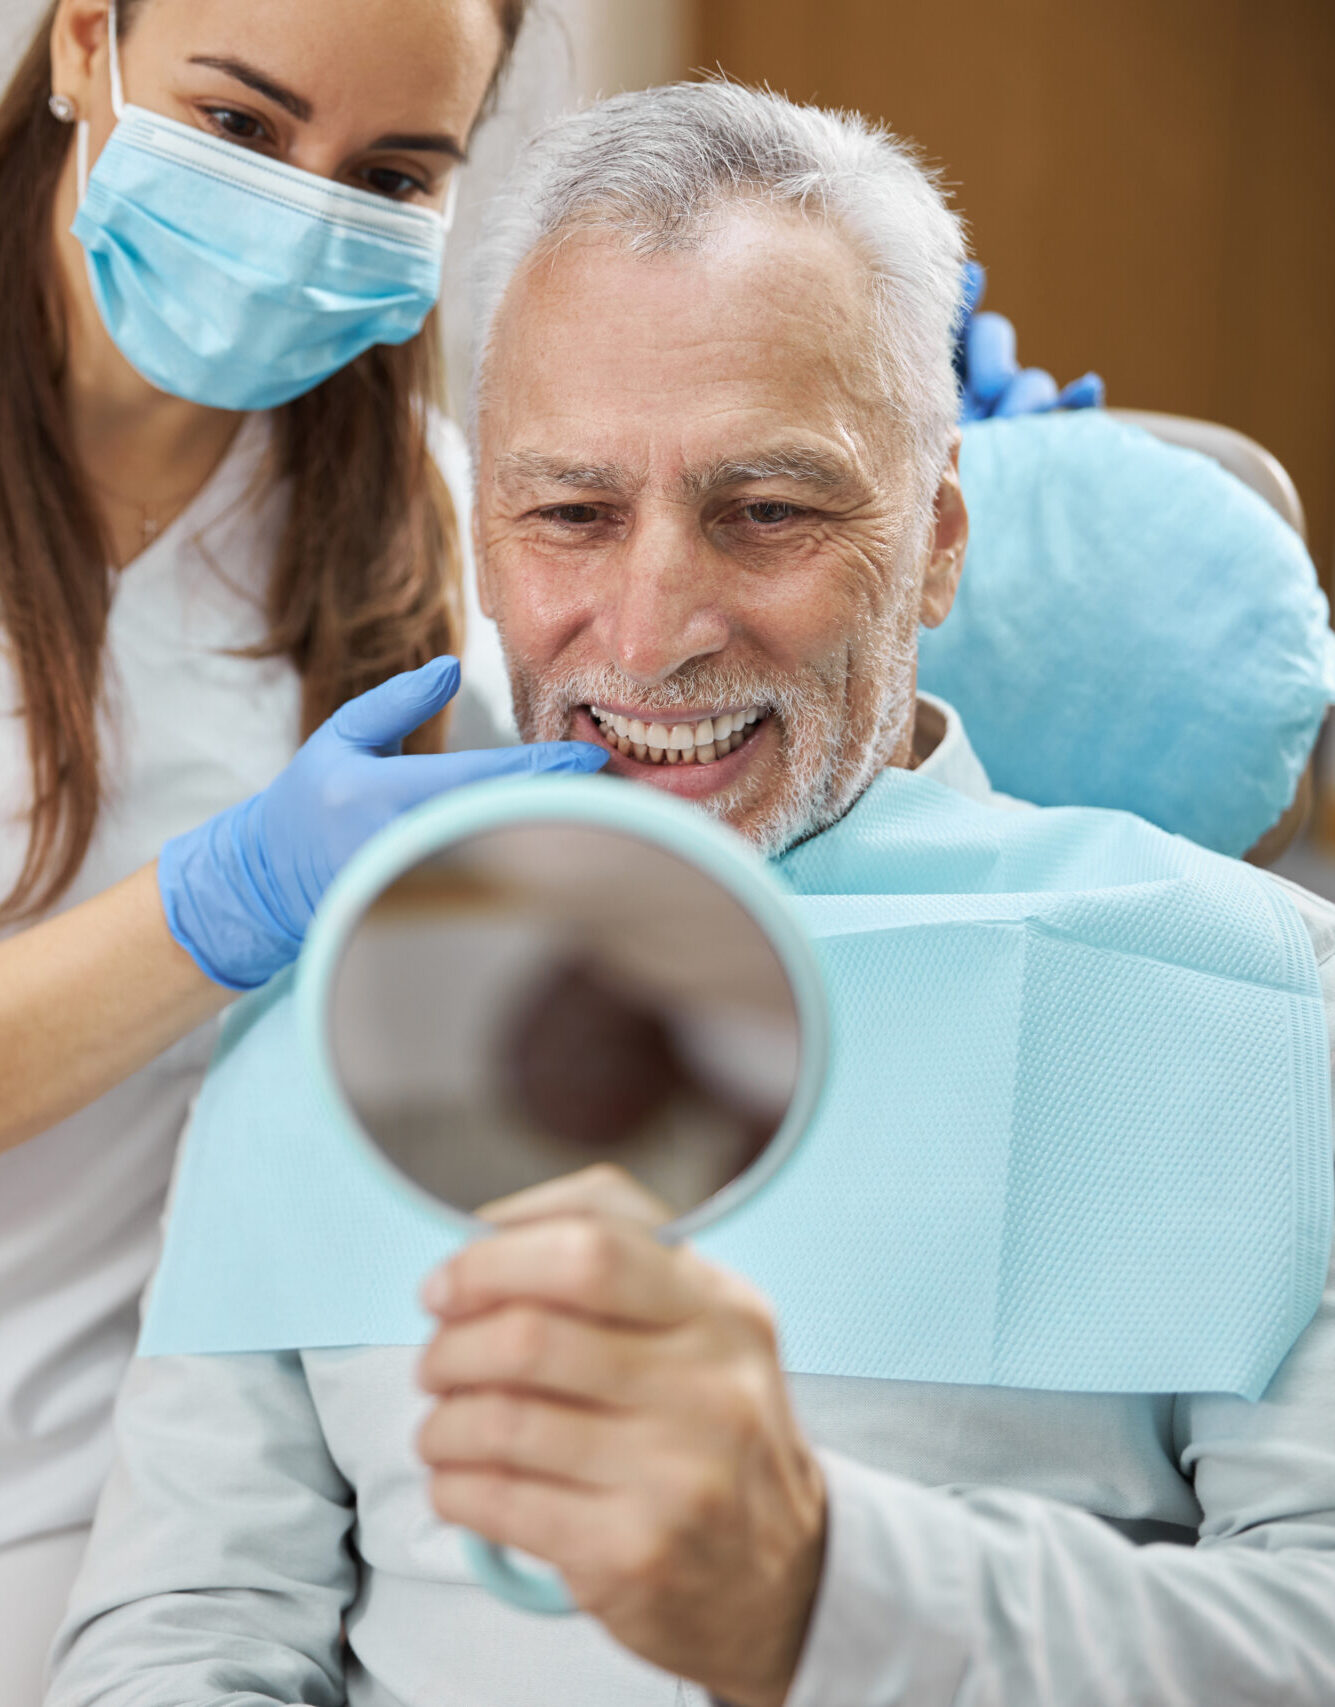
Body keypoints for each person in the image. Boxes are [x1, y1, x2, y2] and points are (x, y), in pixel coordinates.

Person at [51, 82, 1335, 1707]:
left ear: (935, 540)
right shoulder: (322, 1017)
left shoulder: (1263, 1001)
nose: (651, 631)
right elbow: (184, 1633)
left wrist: (824, 1593)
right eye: (571, 515)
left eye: (770, 512)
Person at [0, 0, 626, 1696]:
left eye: (392, 172)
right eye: (242, 128)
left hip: (188, 1503)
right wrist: (229, 901)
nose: (299, 212)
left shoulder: (412, 525)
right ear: (80, 48)